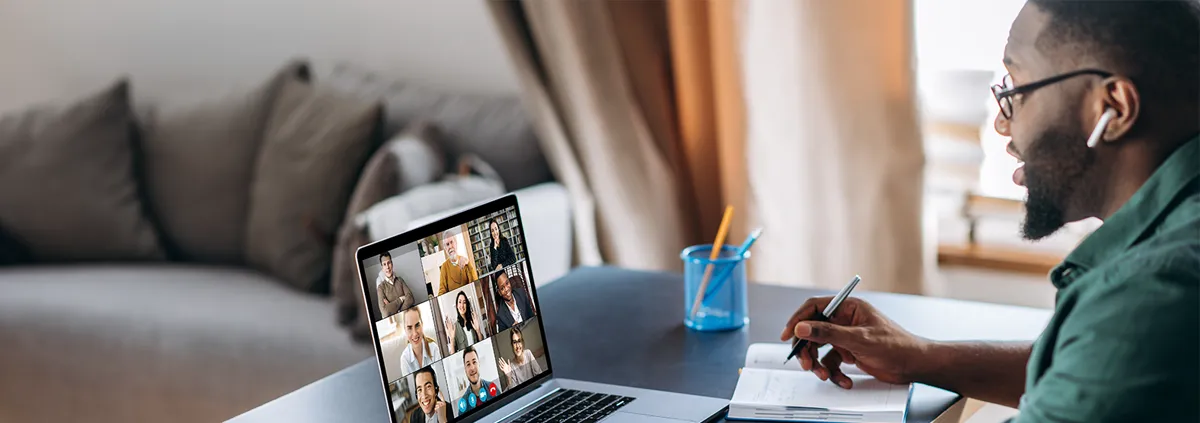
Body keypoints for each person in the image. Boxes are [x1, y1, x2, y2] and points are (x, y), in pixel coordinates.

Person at [781, 2, 1199, 422]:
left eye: (1018, 89)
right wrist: (917, 357)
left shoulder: (1151, 296)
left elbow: (1118, 347)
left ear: (1115, 108)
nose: (1003, 124)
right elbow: (1095, 366)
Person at [456, 346, 499, 413]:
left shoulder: (492, 387)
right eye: (468, 364)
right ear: (465, 369)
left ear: (479, 363)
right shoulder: (463, 405)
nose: (472, 368)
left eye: (474, 362)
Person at [400, 307, 443, 375]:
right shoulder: (405, 359)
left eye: (417, 325)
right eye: (409, 328)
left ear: (422, 324)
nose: (414, 333)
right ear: (405, 330)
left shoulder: (433, 348)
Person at [437, 228, 478, 295]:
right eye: (447, 244)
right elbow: (442, 291)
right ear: (445, 248)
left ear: (456, 243)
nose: (450, 246)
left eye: (452, 242)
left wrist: (468, 264)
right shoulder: (444, 267)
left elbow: (475, 283)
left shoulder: (465, 261)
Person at [377, 252, 414, 318]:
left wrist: (397, 310)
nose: (387, 267)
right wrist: (401, 299)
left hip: (409, 315)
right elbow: (385, 312)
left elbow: (411, 298)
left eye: (389, 263)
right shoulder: (381, 288)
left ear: (392, 263)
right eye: (384, 264)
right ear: (382, 267)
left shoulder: (400, 280)